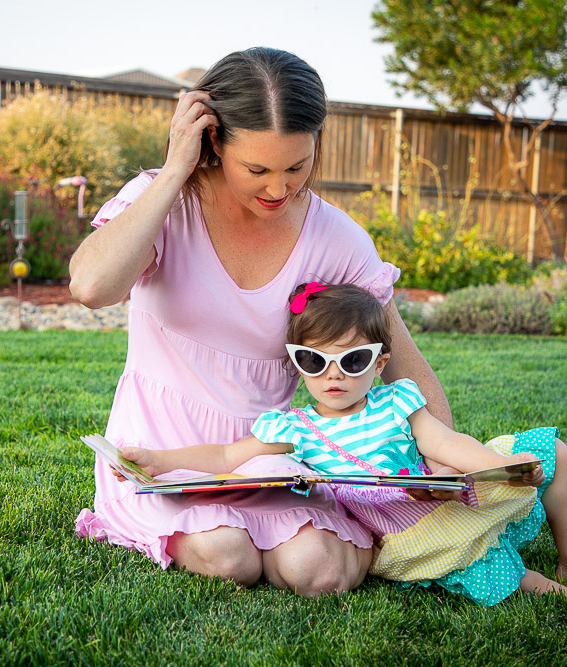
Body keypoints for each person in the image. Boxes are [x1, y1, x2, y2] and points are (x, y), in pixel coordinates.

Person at [69, 47, 454, 597]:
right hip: (162, 452)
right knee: (229, 556)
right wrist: (176, 170)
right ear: (213, 143)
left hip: (272, 455)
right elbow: (91, 287)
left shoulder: (337, 238)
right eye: (257, 169)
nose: (279, 189)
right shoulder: (163, 202)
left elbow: (404, 363)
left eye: (296, 167)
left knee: (319, 573)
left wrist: (446, 463)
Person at [118, 282, 567, 611]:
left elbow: (443, 440)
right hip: (405, 537)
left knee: (555, 455)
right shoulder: (294, 428)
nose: (333, 374)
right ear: (297, 365)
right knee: (496, 571)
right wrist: (160, 461)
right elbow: (228, 457)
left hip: (446, 495)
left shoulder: (396, 401)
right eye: (314, 360)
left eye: (352, 360)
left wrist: (494, 465)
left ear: (379, 365)